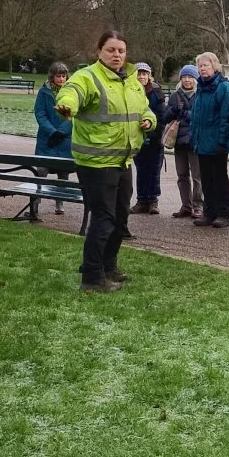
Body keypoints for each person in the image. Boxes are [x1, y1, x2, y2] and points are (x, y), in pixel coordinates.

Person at [53, 31, 156, 292]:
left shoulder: (132, 81)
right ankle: (91, 277)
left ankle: (109, 266)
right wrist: (66, 105)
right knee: (104, 218)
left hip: (123, 160)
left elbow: (144, 108)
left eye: (121, 50)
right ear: (99, 51)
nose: (117, 55)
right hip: (96, 162)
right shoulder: (87, 77)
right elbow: (71, 93)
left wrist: (149, 120)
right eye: (111, 50)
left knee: (120, 217)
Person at [191, 51, 229, 228]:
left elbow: (226, 117)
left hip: (217, 142)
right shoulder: (200, 87)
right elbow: (196, 115)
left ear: (214, 66)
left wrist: (222, 140)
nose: (202, 69)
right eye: (200, 66)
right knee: (206, 179)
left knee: (219, 179)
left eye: (206, 65)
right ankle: (209, 212)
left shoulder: (224, 87)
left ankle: (223, 213)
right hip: (202, 142)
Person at [32, 61, 73, 218]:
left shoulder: (71, 92)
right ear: (52, 77)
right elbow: (40, 113)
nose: (61, 79)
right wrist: (51, 131)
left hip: (64, 139)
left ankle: (59, 202)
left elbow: (73, 115)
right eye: (58, 76)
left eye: (63, 76)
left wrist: (62, 131)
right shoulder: (44, 92)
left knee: (63, 174)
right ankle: (35, 203)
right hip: (46, 140)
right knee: (41, 172)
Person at [164, 65, 202, 218]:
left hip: (194, 140)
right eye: (184, 77)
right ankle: (185, 205)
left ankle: (198, 205)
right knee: (182, 175)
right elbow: (166, 117)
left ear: (195, 79)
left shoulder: (200, 94)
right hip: (179, 141)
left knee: (197, 176)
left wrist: (184, 113)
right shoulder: (174, 96)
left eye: (190, 77)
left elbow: (199, 116)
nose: (187, 80)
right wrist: (173, 111)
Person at [130, 63, 166, 215]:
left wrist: (153, 131)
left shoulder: (156, 93)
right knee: (141, 169)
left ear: (149, 75)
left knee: (154, 170)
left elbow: (162, 116)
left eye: (144, 74)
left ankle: (153, 200)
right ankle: (141, 200)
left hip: (154, 138)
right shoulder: (130, 92)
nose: (141, 77)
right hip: (138, 137)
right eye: (139, 74)